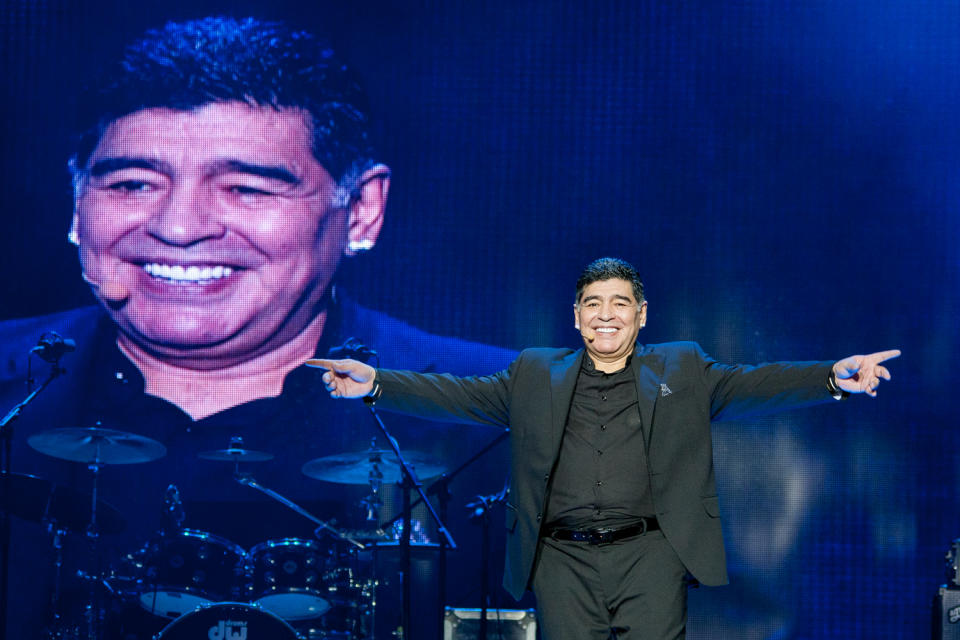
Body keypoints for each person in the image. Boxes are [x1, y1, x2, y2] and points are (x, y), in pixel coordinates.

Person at [0, 16, 514, 640]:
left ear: (361, 212)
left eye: (245, 188)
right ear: (76, 201)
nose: (180, 226)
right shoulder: (12, 381)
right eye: (133, 183)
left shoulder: (504, 422)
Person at [311, 256, 900, 640]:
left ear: (641, 315)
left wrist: (830, 377)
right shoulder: (534, 375)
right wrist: (378, 384)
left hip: (649, 555)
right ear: (576, 317)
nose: (606, 315)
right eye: (593, 304)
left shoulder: (683, 369)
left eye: (619, 303)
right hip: (564, 559)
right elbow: (456, 394)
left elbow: (754, 385)